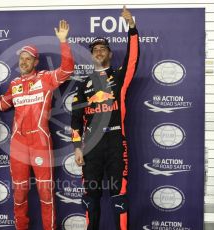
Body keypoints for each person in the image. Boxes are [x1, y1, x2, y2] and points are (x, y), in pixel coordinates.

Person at [0, 20, 74, 230]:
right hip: (18, 143)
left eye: (27, 59)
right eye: (21, 59)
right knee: (19, 192)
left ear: (35, 61)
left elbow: (67, 70)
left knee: (45, 193)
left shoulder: (45, 78)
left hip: (40, 140)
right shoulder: (14, 84)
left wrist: (63, 42)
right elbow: (2, 105)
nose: (23, 62)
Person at [71, 6, 139, 230]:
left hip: (115, 144)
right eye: (95, 49)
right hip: (91, 146)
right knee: (91, 197)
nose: (99, 52)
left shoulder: (119, 77)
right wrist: (76, 147)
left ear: (110, 54)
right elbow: (76, 116)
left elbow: (133, 59)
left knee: (119, 197)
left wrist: (131, 28)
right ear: (91, 55)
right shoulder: (84, 84)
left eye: (103, 49)